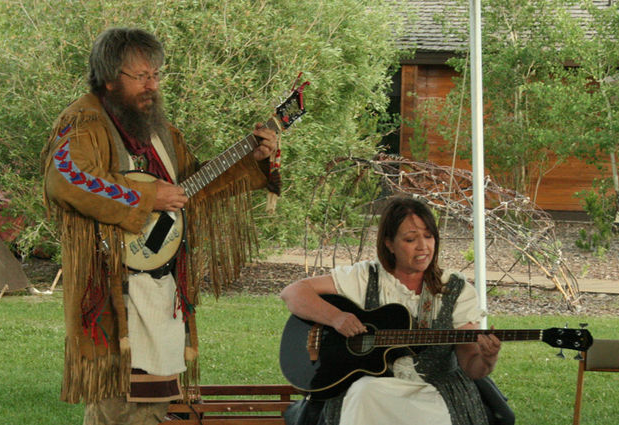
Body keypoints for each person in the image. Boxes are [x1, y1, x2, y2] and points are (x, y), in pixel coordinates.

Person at [41, 27, 278, 424]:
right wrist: (147, 197)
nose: (152, 84)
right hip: (110, 289)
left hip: (162, 282)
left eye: (156, 74)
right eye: (142, 76)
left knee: (150, 404)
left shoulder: (157, 131)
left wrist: (250, 157)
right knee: (117, 404)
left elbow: (192, 187)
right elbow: (66, 179)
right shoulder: (84, 122)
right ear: (109, 77)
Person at [280, 196, 502, 425]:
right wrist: (336, 318)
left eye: (428, 236)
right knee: (364, 392)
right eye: (410, 239)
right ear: (389, 243)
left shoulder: (456, 290)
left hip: (434, 392)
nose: (423, 247)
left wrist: (487, 358)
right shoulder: (367, 278)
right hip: (374, 389)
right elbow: (294, 292)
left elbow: (472, 368)